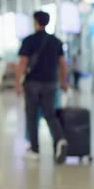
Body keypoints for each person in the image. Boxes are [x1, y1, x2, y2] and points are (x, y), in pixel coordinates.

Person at [15, 11, 69, 163]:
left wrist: (17, 84)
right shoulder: (56, 41)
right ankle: (60, 139)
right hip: (51, 83)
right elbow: (63, 65)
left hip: (32, 83)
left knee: (32, 116)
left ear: (35, 22)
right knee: (50, 114)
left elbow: (22, 63)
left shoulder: (29, 41)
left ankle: (35, 149)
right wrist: (64, 82)